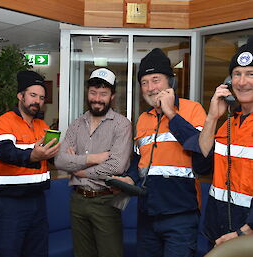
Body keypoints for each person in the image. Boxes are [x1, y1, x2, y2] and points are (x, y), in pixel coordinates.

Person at [113, 48, 207, 257]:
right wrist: (129, 179)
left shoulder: (193, 110)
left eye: (155, 80)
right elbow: (140, 163)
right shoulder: (143, 119)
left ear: (170, 81)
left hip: (181, 216)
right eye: (144, 82)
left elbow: (201, 151)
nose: (150, 88)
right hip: (147, 214)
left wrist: (170, 113)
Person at [54, 68, 132, 257]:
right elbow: (59, 160)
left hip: (106, 200)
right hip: (78, 200)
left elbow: (116, 165)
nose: (97, 98)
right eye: (93, 92)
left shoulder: (122, 124)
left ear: (112, 96)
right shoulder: (77, 124)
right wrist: (93, 159)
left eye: (103, 94)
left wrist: (79, 169)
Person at [189, 36, 253, 246]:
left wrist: (243, 233)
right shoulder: (228, 123)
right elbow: (202, 164)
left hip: (245, 236)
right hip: (216, 231)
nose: (242, 82)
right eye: (237, 74)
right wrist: (212, 118)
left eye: (250, 74)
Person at [0, 70, 60, 257]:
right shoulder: (3, 122)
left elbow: (52, 158)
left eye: (42, 97)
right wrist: (33, 156)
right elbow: (6, 152)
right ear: (20, 96)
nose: (37, 101)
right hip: (9, 206)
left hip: (37, 202)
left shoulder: (43, 127)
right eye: (33, 95)